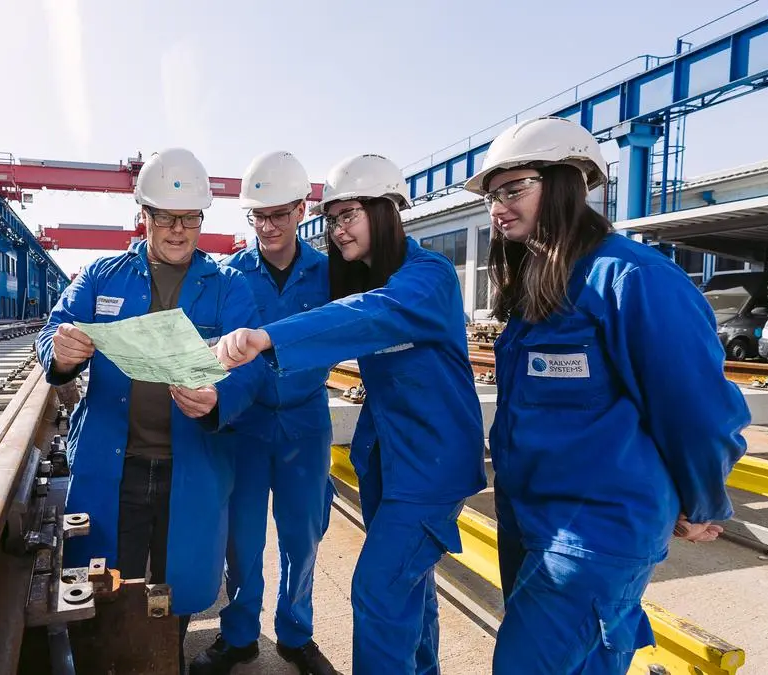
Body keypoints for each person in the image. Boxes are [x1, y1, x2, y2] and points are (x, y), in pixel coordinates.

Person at [461, 115, 751, 674]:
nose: (498, 207)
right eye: (493, 196)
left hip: (594, 531)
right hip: (532, 519)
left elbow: (697, 411)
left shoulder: (632, 278)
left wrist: (702, 501)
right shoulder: (542, 286)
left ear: (567, 182)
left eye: (513, 189)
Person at [214, 153, 487, 675]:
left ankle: (301, 634)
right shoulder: (361, 272)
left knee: (378, 591)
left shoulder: (423, 276)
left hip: (428, 464)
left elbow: (372, 313)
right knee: (411, 591)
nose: (338, 232)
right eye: (333, 219)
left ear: (386, 210)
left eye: (349, 216)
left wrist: (268, 336)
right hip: (391, 457)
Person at [36, 147, 267, 668]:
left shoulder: (229, 287)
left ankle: (167, 657)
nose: (178, 230)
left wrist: (218, 398)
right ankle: (110, 659)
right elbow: (54, 329)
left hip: (191, 467)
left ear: (202, 219)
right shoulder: (101, 275)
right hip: (113, 464)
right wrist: (61, 350)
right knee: (104, 579)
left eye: (189, 218)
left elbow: (252, 371)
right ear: (144, 216)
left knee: (178, 584)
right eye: (166, 217)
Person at [190, 151, 336, 675]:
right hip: (246, 424)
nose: (267, 227)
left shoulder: (328, 273)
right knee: (243, 536)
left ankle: (297, 634)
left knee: (303, 533)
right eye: (257, 216)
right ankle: (240, 635)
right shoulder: (232, 276)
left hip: (305, 420)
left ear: (301, 210)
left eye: (278, 214)